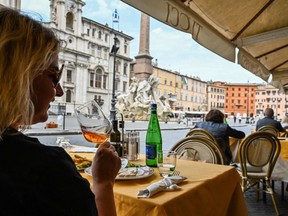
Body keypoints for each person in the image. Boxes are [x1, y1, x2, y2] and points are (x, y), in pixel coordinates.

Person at [0, 7, 121, 216]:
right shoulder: (47, 168)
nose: (59, 91)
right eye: (54, 77)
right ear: (20, 75)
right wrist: (103, 183)